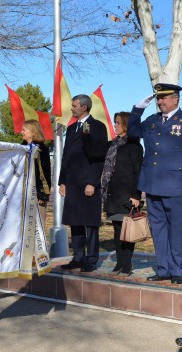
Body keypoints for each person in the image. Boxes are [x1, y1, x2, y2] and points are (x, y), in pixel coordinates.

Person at [128, 83, 182, 284]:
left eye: (164, 98)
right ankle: (163, 268)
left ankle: (177, 270)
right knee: (158, 229)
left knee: (177, 229)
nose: (160, 102)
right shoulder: (152, 120)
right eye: (158, 98)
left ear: (175, 99)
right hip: (152, 183)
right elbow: (133, 132)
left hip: (178, 185)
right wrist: (137, 109)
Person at [59, 94, 109, 272]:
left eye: (74, 106)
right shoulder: (72, 128)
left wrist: (92, 182)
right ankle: (78, 256)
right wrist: (62, 181)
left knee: (90, 223)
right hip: (72, 182)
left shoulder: (97, 127)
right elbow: (66, 157)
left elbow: (98, 157)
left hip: (87, 182)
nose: (71, 108)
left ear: (84, 107)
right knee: (75, 221)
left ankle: (91, 258)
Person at [101, 112, 143, 276]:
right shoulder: (112, 145)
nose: (115, 126)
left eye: (118, 123)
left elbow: (138, 172)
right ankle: (119, 263)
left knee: (128, 232)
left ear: (126, 125)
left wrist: (136, 195)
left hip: (127, 195)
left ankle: (127, 264)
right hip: (113, 194)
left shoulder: (134, 146)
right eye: (115, 122)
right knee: (117, 231)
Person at [20, 119, 52, 224]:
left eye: (24, 130)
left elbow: (45, 172)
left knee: (37, 225)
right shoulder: (20, 148)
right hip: (22, 193)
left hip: (37, 193)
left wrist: (43, 194)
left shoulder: (42, 149)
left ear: (33, 133)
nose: (21, 132)